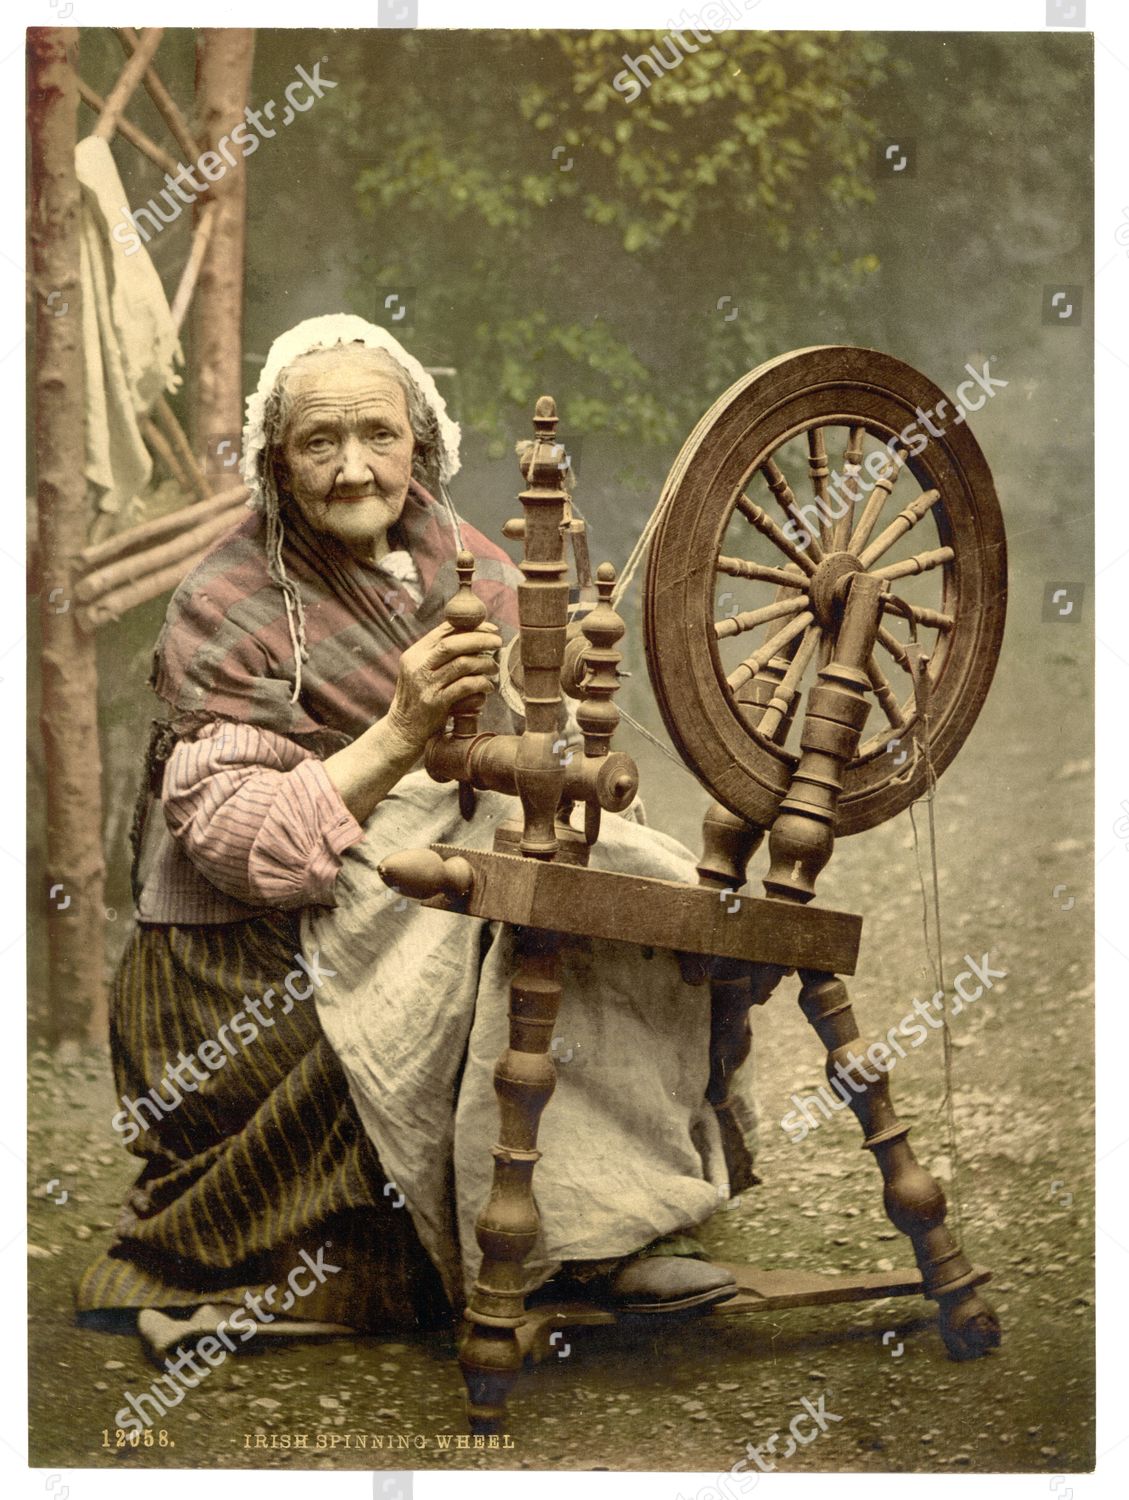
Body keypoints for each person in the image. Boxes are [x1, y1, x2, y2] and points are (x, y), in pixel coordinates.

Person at [77, 315, 749, 1360]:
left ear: (419, 444)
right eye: (319, 443)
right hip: (242, 956)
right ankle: (543, 1247)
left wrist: (567, 708)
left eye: (378, 437)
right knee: (488, 931)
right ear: (274, 463)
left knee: (618, 881)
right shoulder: (226, 600)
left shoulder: (453, 549)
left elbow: (537, 725)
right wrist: (399, 730)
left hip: (396, 867)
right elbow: (236, 847)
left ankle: (606, 1216)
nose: (354, 470)